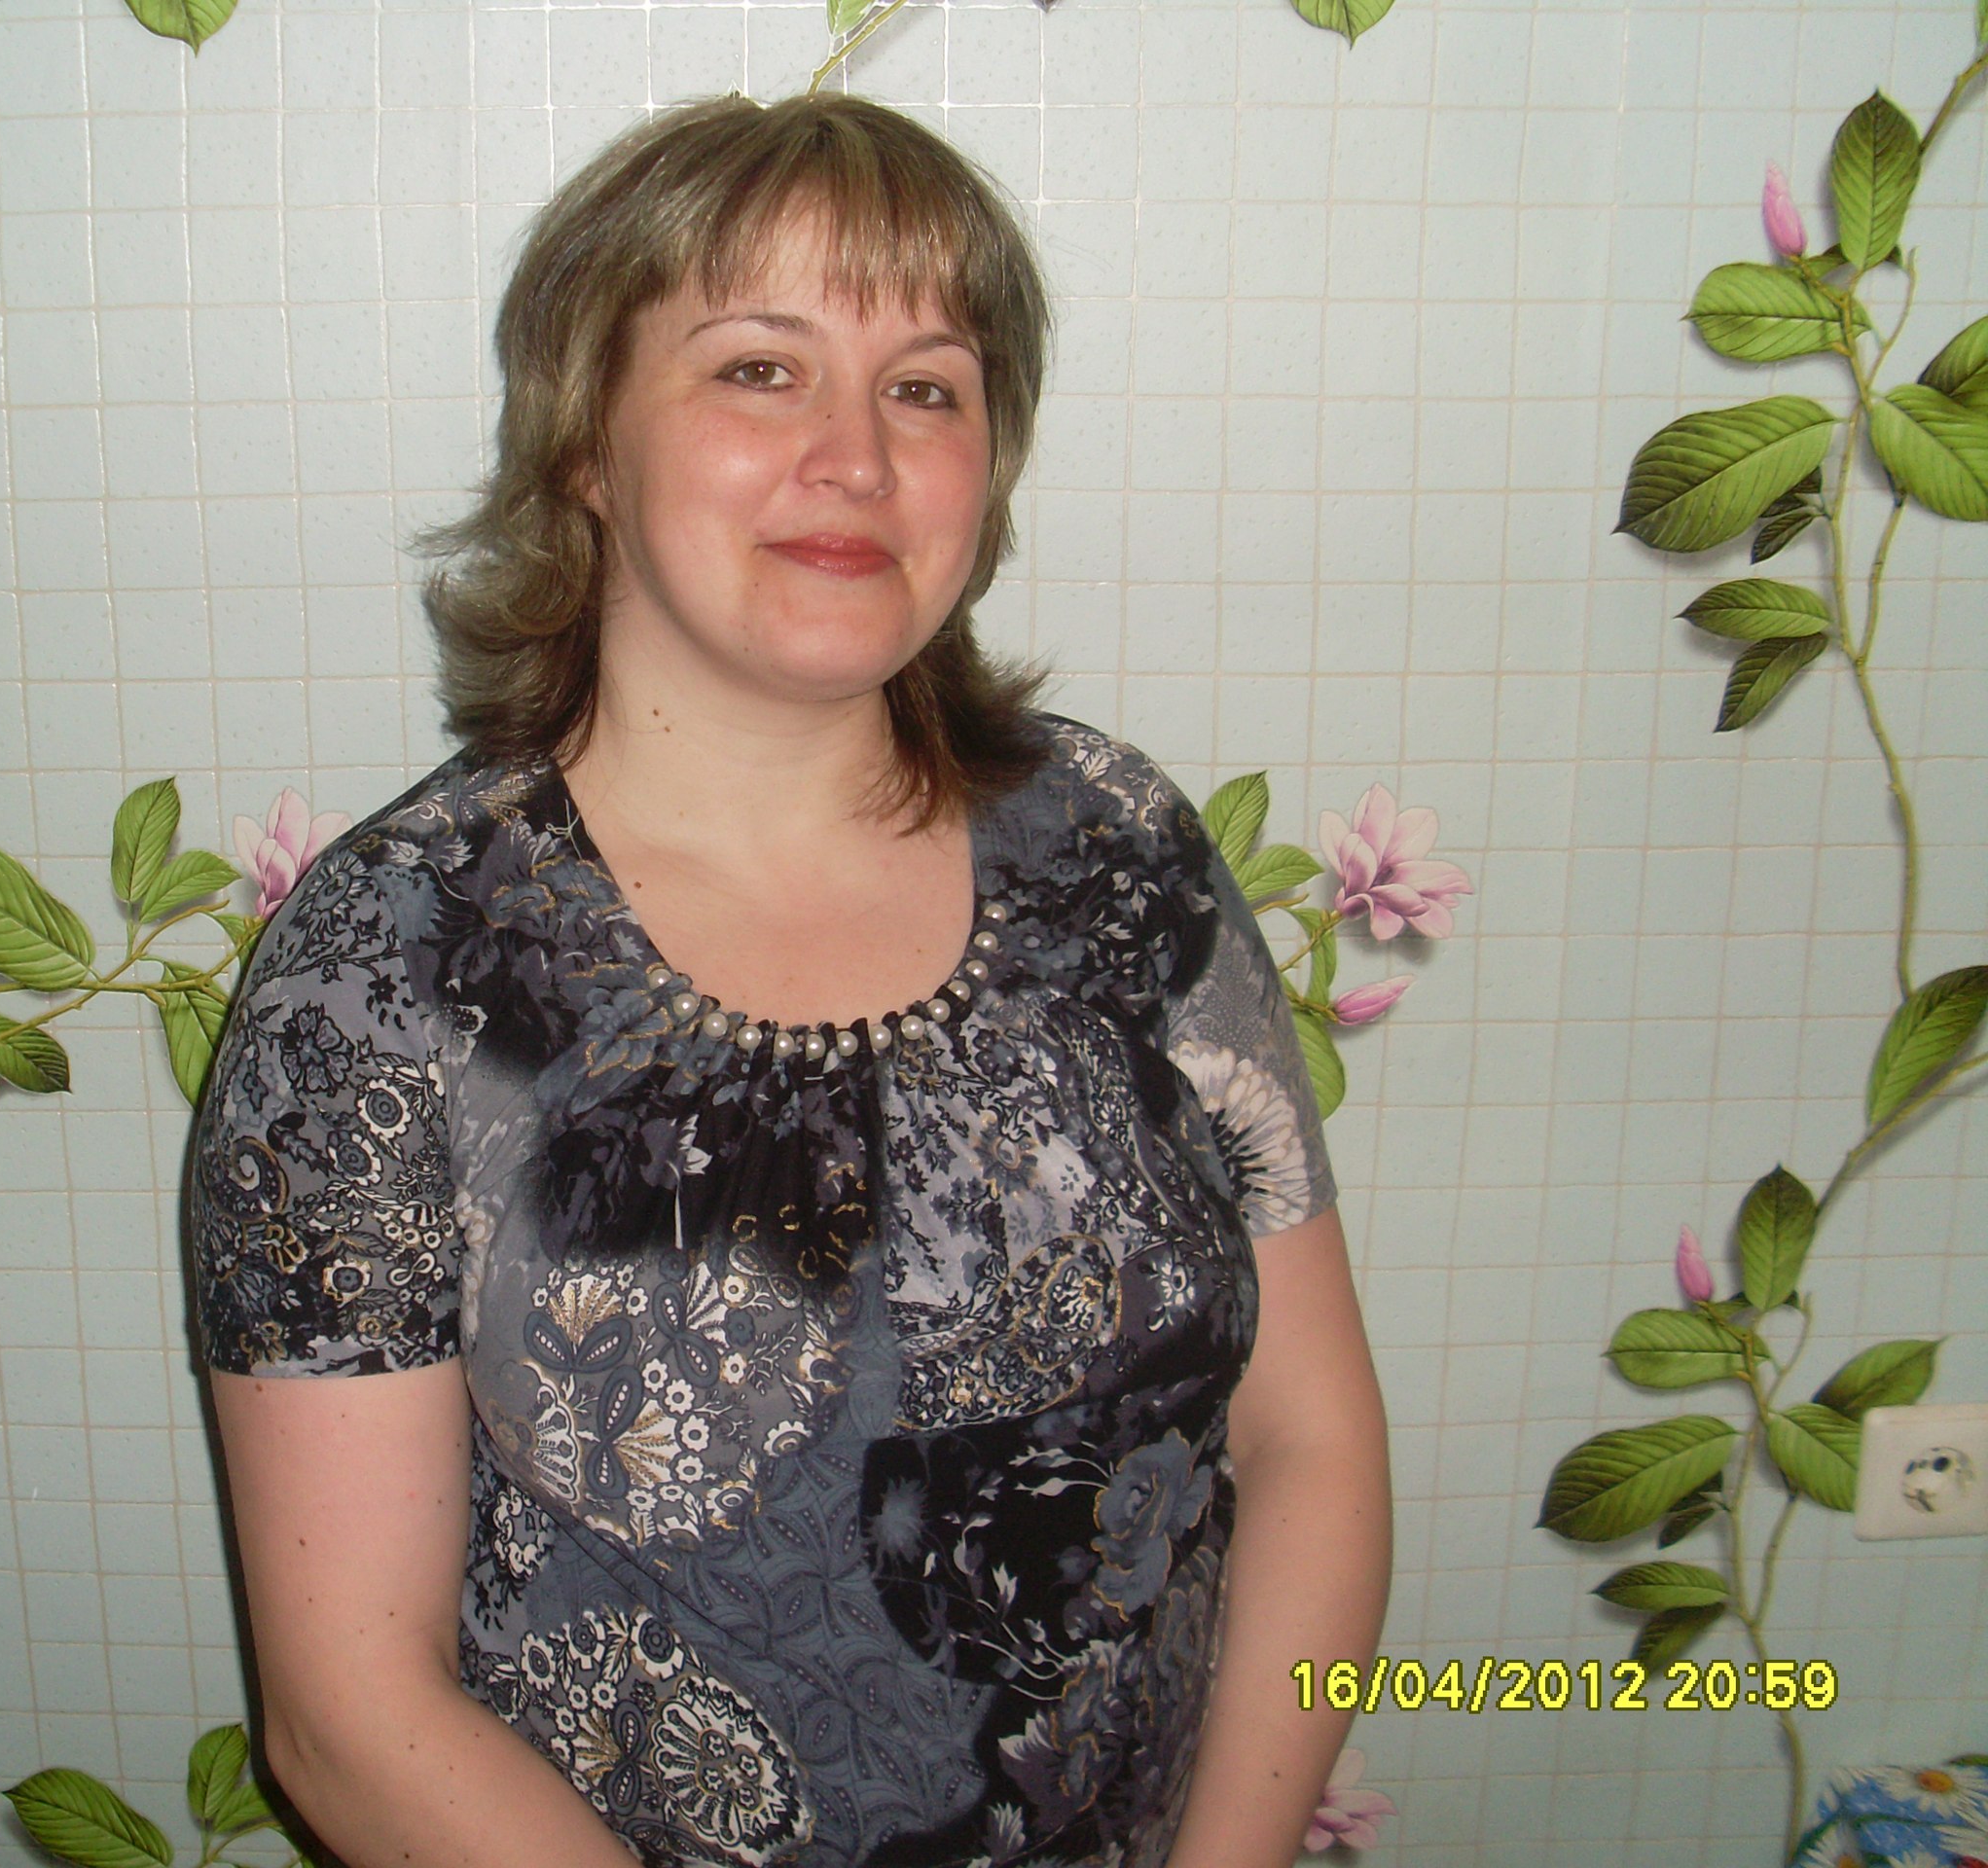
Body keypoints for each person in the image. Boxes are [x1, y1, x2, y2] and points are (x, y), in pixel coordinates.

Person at [189, 90, 1391, 1868]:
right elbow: (352, 1718)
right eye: (761, 370)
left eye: (928, 388)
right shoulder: (380, 977)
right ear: (585, 445)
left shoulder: (1123, 851)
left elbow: (1307, 1441)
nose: (859, 458)